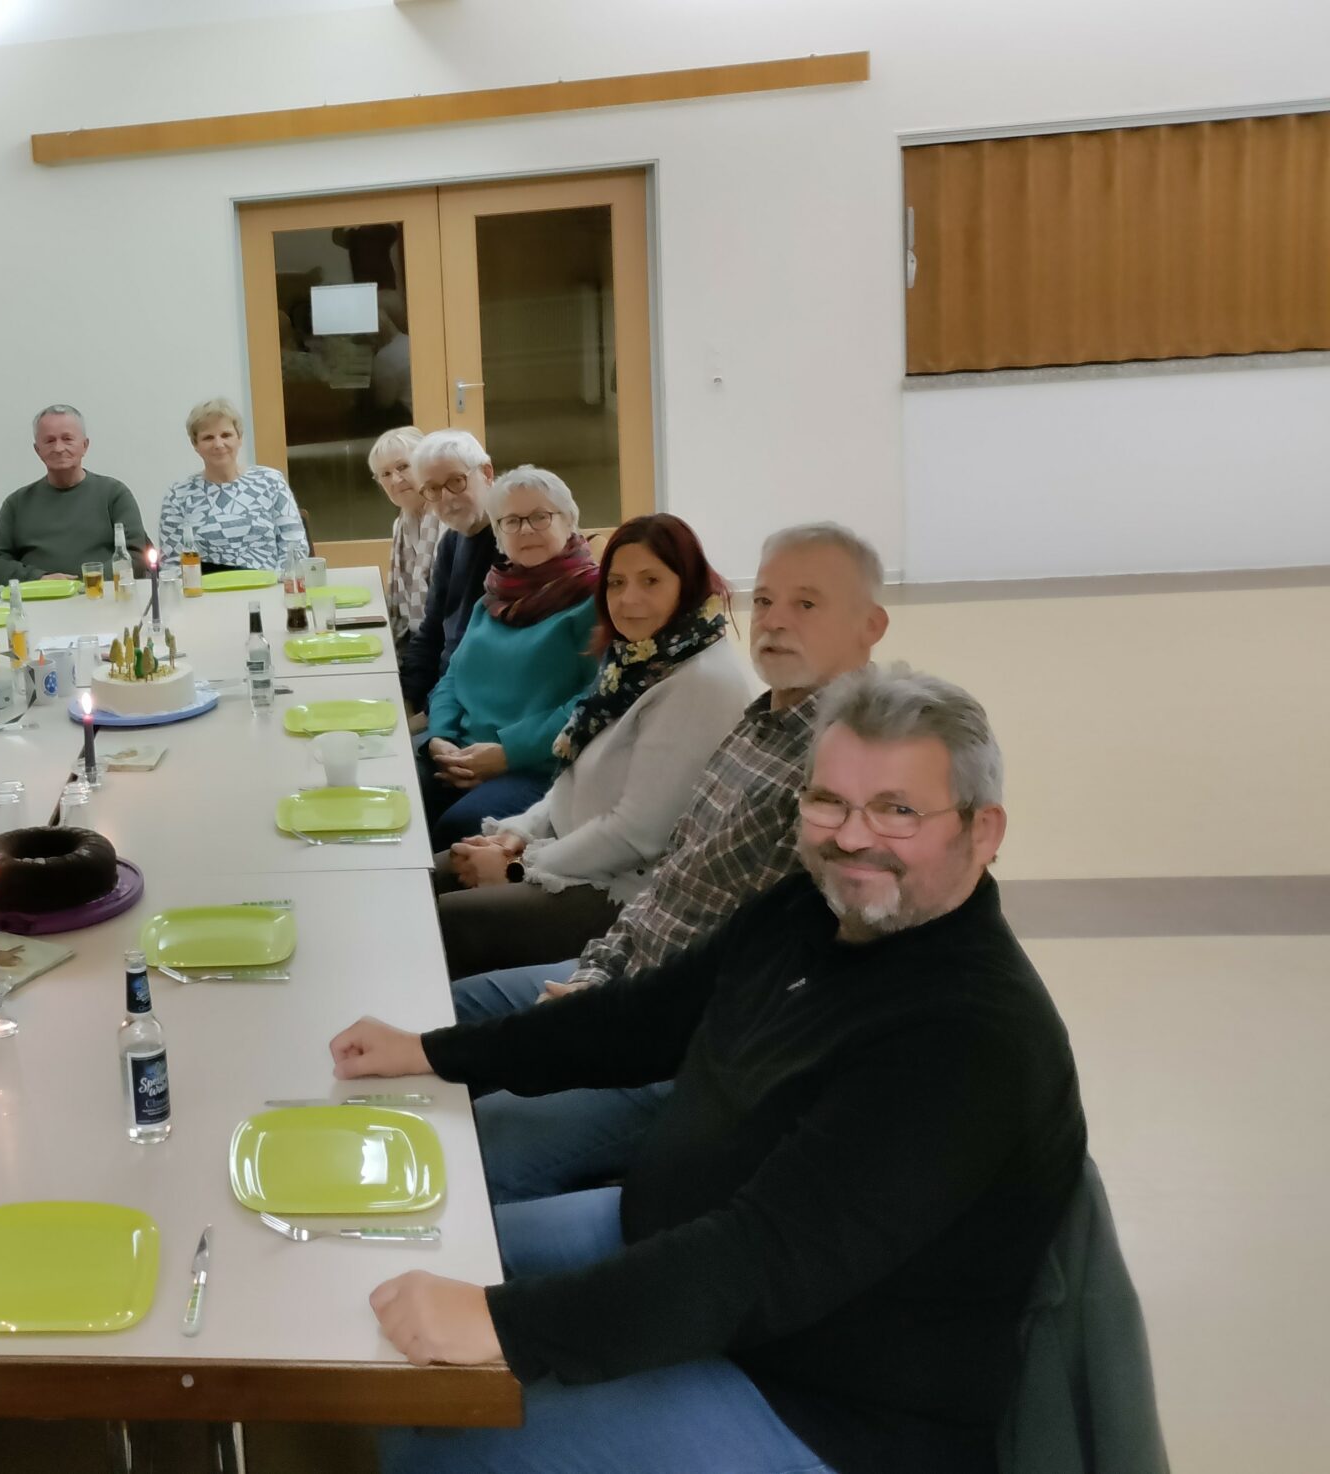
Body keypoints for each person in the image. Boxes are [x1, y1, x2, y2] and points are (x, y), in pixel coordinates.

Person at [334, 666, 1082, 1474]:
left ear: (983, 830)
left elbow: (758, 1260)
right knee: (415, 1271)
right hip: (682, 1254)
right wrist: (432, 1051)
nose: (851, 836)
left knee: (437, 1430)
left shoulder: (969, 1039)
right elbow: (637, 1020)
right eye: (828, 800)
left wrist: (502, 1326)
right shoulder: (808, 911)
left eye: (897, 810)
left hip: (819, 1404)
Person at [450, 523, 891, 1203]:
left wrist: (608, 1011)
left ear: (871, 626)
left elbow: (757, 977)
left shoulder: (842, 768)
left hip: (685, 1045)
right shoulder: (758, 721)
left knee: (476, 1145)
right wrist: (597, 975)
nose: (775, 620)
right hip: (628, 973)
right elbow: (670, 882)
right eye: (764, 600)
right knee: (452, 1012)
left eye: (806, 603)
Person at [433, 515, 757, 979]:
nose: (628, 599)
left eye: (651, 581)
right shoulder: (639, 659)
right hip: (568, 854)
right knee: (430, 875)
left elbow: (636, 836)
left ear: (687, 586)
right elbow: (573, 777)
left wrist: (519, 865)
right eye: (617, 582)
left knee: (445, 922)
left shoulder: (702, 683)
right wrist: (515, 834)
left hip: (624, 893)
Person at [418, 466, 600, 848]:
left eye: (540, 516)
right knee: (395, 791)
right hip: (461, 752)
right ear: (499, 534)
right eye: (512, 521)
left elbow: (593, 701)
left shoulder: (594, 600)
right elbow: (453, 677)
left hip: (538, 765)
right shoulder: (495, 596)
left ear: (569, 521)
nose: (526, 530)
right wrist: (440, 737)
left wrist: (507, 754)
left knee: (458, 828)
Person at [396, 431, 503, 715]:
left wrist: (430, 717)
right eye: (432, 489)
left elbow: (492, 660)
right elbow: (431, 632)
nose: (446, 499)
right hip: (443, 696)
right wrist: (407, 699)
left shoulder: (515, 544)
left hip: (474, 708)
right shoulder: (452, 542)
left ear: (487, 473)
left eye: (456, 481)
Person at [0, 405, 150, 583]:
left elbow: (136, 557)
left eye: (67, 439)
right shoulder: (17, 504)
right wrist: (39, 578)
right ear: (37, 450)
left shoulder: (114, 494)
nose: (59, 448)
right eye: (49, 441)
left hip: (101, 595)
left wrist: (87, 583)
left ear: (85, 445)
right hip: (40, 597)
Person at [158, 398, 309, 573]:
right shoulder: (178, 495)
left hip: (270, 586)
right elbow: (171, 564)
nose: (218, 444)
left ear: (239, 438)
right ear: (195, 445)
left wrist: (278, 584)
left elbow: (294, 548)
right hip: (206, 590)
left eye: (226, 435)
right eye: (208, 438)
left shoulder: (271, 482)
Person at [370, 426, 443, 644]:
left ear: (426, 464)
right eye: (385, 474)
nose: (395, 480)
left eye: (403, 467)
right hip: (416, 639)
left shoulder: (448, 519)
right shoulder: (400, 525)